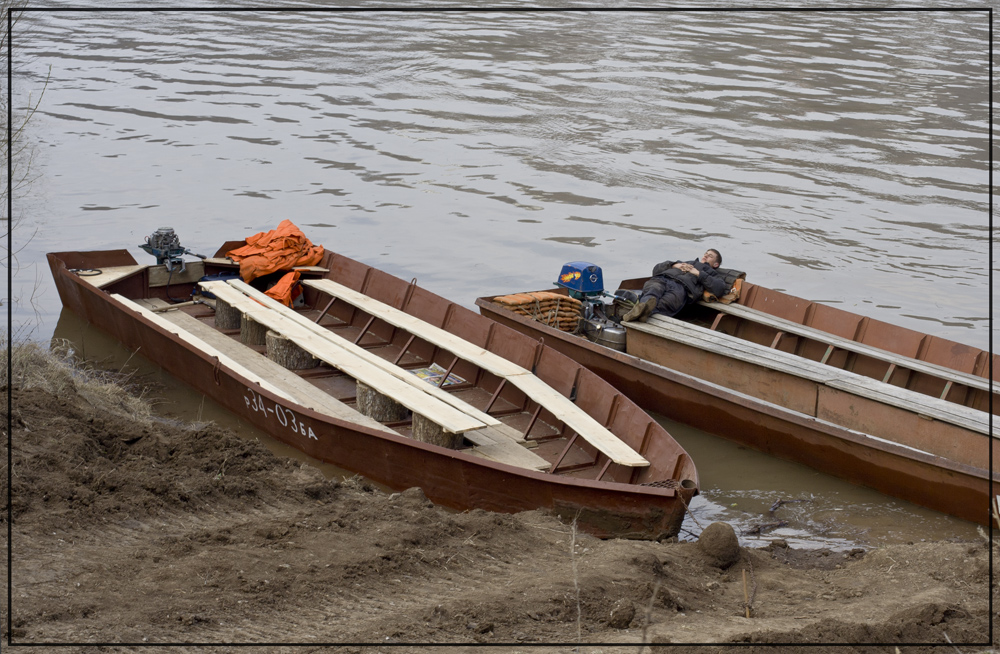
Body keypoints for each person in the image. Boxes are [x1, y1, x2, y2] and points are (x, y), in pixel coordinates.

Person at [622, 248, 729, 322]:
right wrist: (674, 264)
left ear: (716, 264)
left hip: (681, 288)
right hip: (663, 278)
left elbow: (719, 288)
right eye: (706, 253)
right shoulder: (686, 262)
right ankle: (642, 312)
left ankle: (638, 312)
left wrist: (697, 273)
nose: (706, 255)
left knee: (665, 303)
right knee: (653, 290)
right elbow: (656, 269)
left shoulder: (712, 273)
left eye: (710, 256)